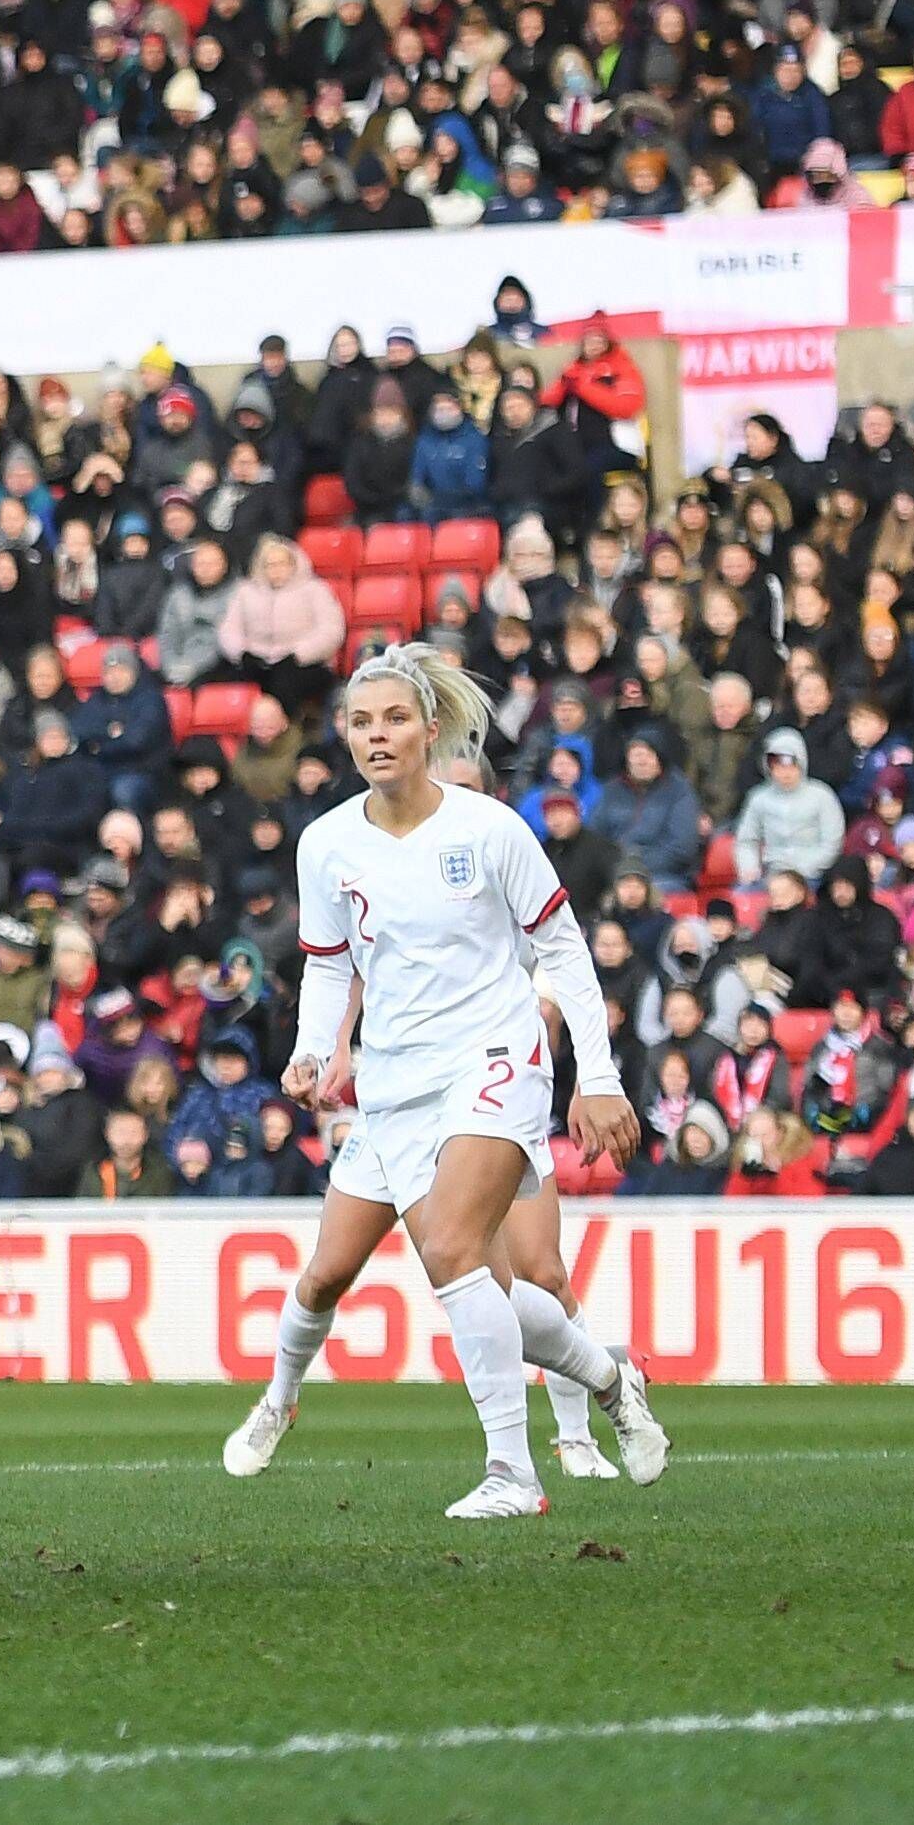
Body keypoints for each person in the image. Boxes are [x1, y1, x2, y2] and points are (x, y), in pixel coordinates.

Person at [220, 645, 669, 1518]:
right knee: (392, 1279)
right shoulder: (325, 845)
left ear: (430, 731)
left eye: (394, 719)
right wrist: (315, 1049)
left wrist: (600, 1075)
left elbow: (564, 949)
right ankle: (612, 1380)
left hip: (495, 1058)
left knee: (458, 1253)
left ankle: (515, 1473)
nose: (377, 735)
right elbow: (324, 965)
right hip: (393, 1086)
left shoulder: (488, 829)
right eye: (361, 721)